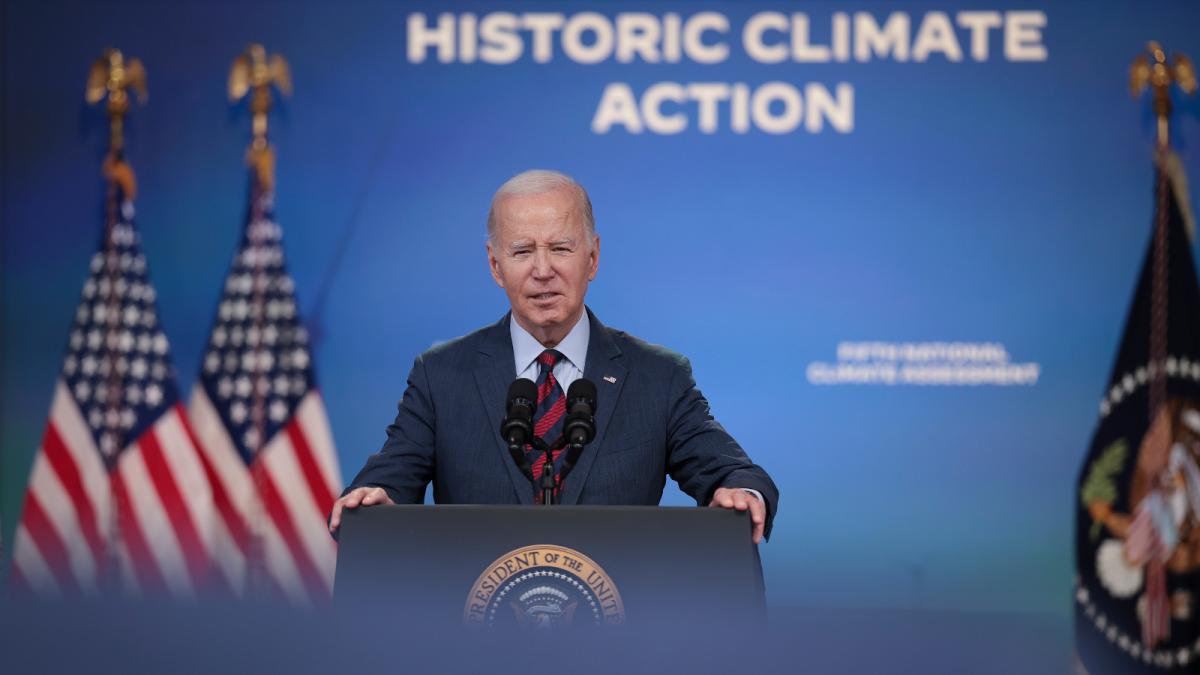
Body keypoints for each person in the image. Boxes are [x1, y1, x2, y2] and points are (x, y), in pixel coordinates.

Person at [329, 170, 778, 542]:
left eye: (560, 248)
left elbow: (734, 472)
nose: (543, 271)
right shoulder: (441, 375)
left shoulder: (658, 377)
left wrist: (740, 493)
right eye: (522, 251)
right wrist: (376, 499)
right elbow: (391, 477)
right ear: (495, 266)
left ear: (593, 257)